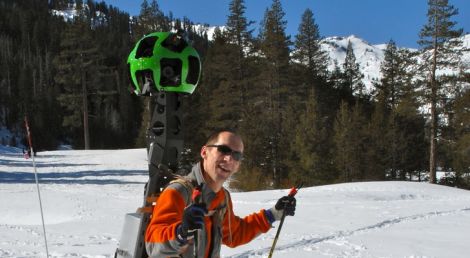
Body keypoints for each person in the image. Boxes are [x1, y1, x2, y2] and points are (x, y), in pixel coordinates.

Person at [145, 129, 297, 258]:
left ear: (238, 166)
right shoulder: (178, 192)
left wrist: (274, 214)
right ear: (205, 152)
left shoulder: (222, 197)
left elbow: (234, 234)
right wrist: (181, 231)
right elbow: (153, 246)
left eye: (237, 156)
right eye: (223, 150)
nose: (229, 159)